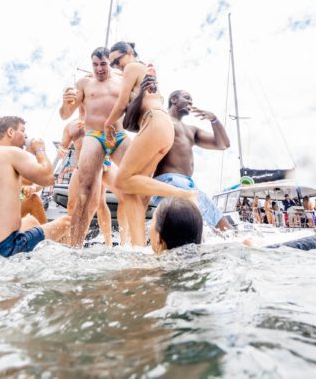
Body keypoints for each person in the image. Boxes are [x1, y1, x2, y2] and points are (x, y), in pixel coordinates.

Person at [104, 41, 197, 246]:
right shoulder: (146, 73)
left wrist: (107, 124)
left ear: (129, 53)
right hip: (161, 127)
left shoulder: (133, 67)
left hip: (154, 123)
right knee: (133, 194)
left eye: (117, 60)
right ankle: (138, 249)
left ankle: (186, 194)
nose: (116, 66)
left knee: (121, 181)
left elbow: (121, 105)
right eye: (112, 65)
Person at [0, 116, 70, 257]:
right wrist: (40, 150)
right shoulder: (12, 153)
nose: (26, 136)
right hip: (4, 248)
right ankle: (64, 259)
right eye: (23, 131)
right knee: (67, 221)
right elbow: (48, 178)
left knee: (31, 221)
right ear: (10, 132)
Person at [59, 47, 131, 247]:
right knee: (86, 192)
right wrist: (65, 103)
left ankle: (128, 244)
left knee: (132, 187)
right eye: (95, 64)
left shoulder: (122, 80)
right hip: (94, 137)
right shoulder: (84, 83)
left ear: (110, 63)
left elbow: (134, 107)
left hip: (118, 136)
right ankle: (75, 246)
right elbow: (65, 114)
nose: (99, 69)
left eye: (103, 64)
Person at [146, 89, 233, 231]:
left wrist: (214, 119)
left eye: (191, 99)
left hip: (188, 184)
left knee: (216, 218)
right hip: (169, 182)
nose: (190, 102)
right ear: (173, 99)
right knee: (210, 223)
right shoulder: (162, 120)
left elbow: (223, 144)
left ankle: (236, 243)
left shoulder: (191, 130)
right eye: (186, 97)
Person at [59, 117, 113, 247]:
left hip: (100, 162)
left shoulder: (100, 118)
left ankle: (108, 243)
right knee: (71, 204)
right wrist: (61, 149)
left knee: (98, 203)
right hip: (80, 165)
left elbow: (114, 138)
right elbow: (63, 145)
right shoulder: (70, 125)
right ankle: (71, 240)